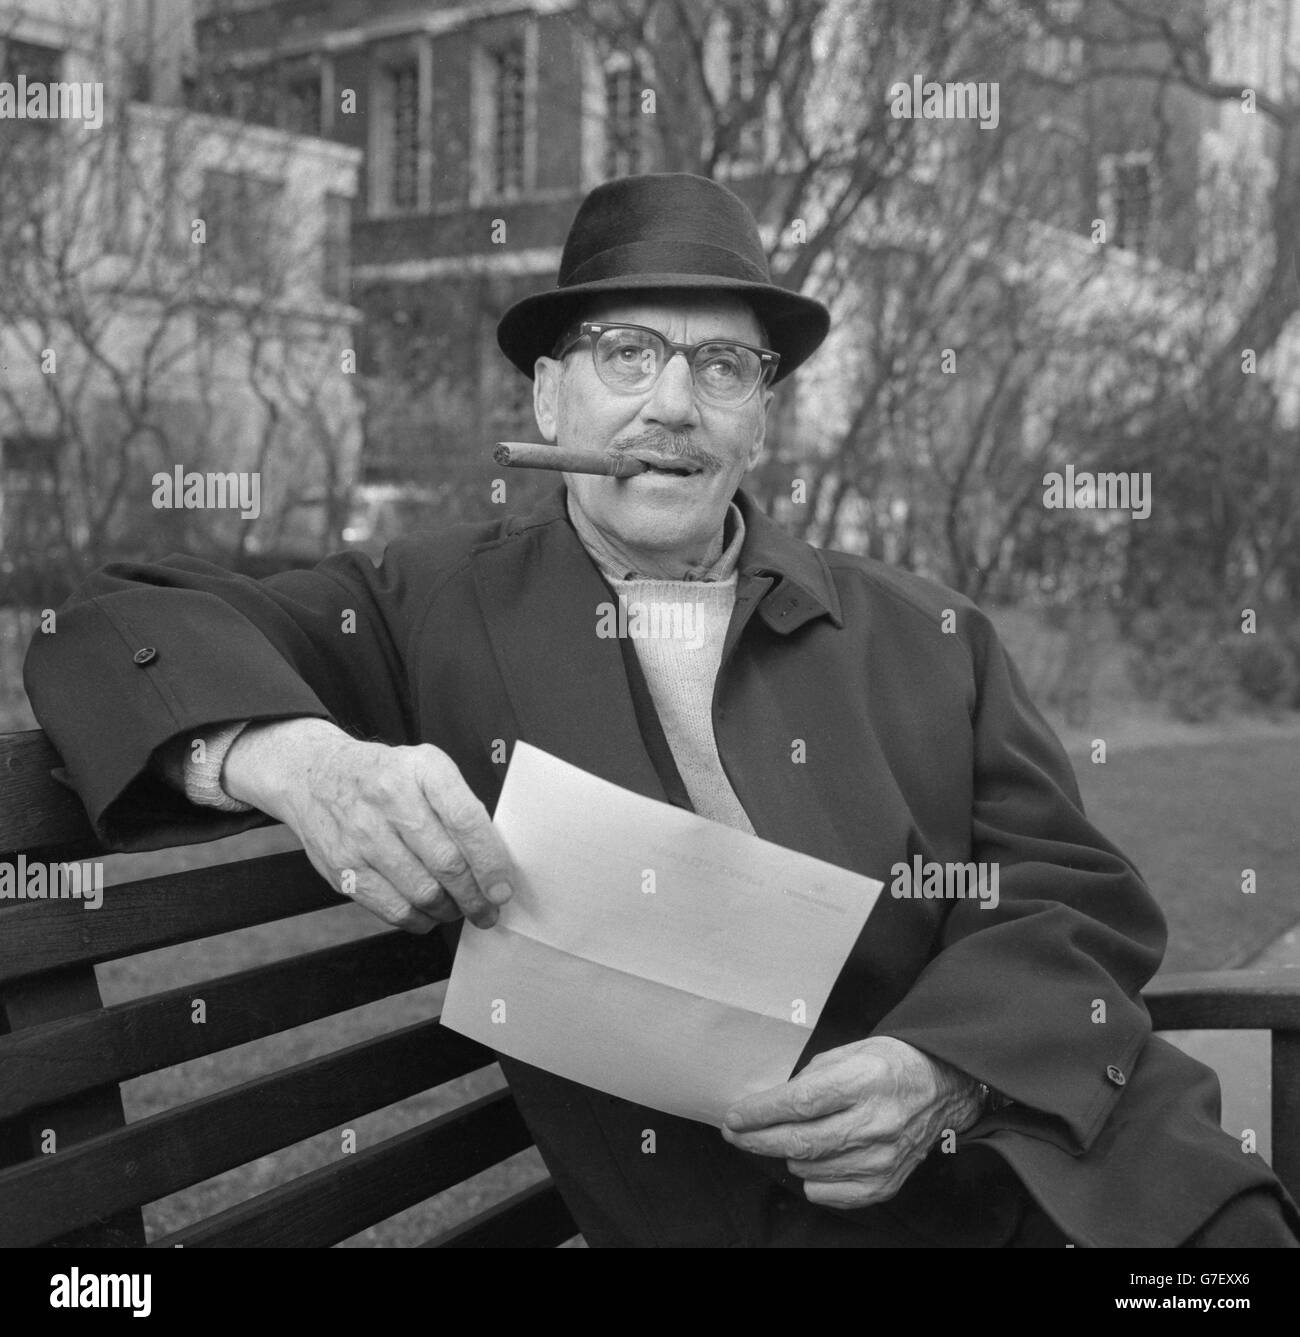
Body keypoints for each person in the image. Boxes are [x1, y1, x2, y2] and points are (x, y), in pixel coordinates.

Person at [24, 172, 1299, 1248]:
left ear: (759, 419)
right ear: (547, 400)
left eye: (722, 366)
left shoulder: (928, 627)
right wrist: (294, 759)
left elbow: (1073, 890)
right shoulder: (427, 604)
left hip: (1084, 1168)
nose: (672, 404)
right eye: (625, 354)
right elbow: (115, 624)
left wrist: (945, 1067)